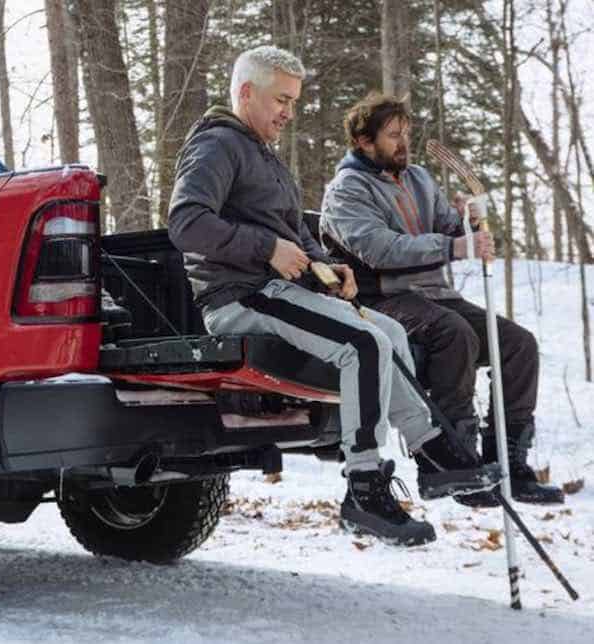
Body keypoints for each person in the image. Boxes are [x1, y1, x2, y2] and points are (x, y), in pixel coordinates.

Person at [167, 46, 501, 546]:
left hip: (275, 288)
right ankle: (364, 489)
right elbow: (186, 222)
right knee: (362, 344)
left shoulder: (262, 152)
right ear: (245, 92)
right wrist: (268, 249)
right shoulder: (218, 145)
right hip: (238, 295)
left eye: (294, 102)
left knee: (386, 331)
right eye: (281, 99)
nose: (288, 112)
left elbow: (288, 231)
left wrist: (328, 267)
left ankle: (431, 451)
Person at [319, 92, 563, 506]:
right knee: (454, 334)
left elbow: (450, 230)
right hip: (381, 299)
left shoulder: (418, 179)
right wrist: (454, 248)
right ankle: (452, 463)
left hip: (436, 295)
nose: (403, 143)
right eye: (393, 135)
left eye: (406, 134)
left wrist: (466, 224)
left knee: (519, 345)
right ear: (363, 141)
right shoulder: (346, 191)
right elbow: (380, 249)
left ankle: (510, 462)